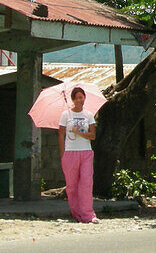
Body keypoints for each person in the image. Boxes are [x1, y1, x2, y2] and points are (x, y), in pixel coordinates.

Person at [59, 86, 99, 224]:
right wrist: (63, 154)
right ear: (72, 100)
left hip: (86, 152)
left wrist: (79, 133)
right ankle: (76, 212)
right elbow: (61, 134)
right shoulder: (66, 115)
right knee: (72, 185)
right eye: (76, 98)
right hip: (70, 152)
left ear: (84, 98)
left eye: (81, 97)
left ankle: (88, 214)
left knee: (86, 183)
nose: (79, 100)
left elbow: (92, 135)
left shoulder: (88, 115)